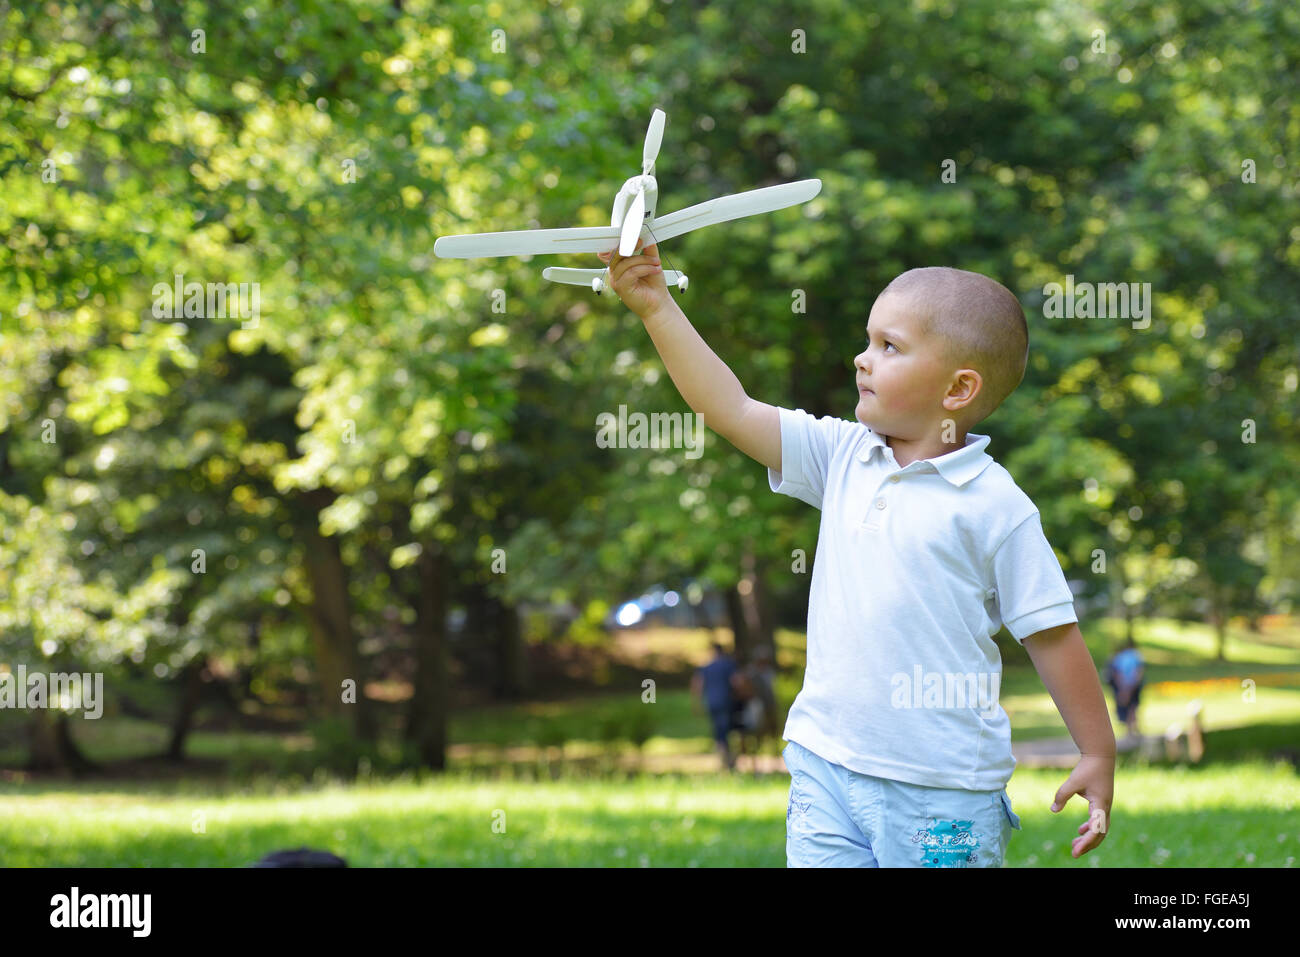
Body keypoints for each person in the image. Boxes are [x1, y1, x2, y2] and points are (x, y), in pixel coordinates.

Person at [598, 248, 1115, 866]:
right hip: (827, 767)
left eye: (888, 346)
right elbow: (729, 409)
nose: (861, 358)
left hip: (941, 792)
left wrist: (1096, 751)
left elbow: (1052, 633)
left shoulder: (995, 505)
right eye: (868, 340)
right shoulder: (843, 455)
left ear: (959, 388)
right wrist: (656, 305)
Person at [690, 641, 744, 772]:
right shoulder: (729, 665)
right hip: (726, 702)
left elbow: (697, 685)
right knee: (728, 730)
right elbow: (737, 682)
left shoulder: (706, 667)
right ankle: (728, 761)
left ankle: (723, 761)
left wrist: (696, 704)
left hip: (711, 702)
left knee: (718, 731)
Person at [1105, 638, 1145, 741]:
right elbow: (1139, 672)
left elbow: (1117, 674)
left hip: (1123, 685)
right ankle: (1134, 728)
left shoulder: (1119, 658)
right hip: (1134, 685)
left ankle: (1130, 730)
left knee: (1126, 706)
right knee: (1133, 706)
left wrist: (1123, 688)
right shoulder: (1136, 656)